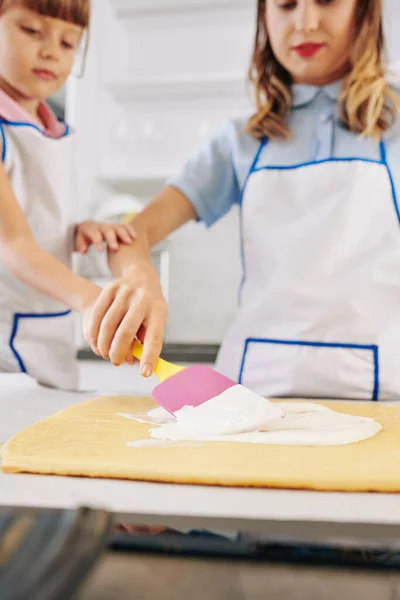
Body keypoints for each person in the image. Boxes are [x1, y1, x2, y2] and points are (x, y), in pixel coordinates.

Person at [88, 0, 400, 402]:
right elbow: (134, 233)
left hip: (382, 398)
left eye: (326, 1)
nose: (305, 22)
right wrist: (136, 275)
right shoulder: (242, 140)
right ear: (264, 18)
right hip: (252, 399)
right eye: (286, 5)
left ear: (364, 12)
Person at [0, 0, 150, 390]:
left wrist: (79, 229)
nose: (51, 50)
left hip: (48, 338)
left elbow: (35, 216)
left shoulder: (54, 132)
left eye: (68, 43)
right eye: (31, 31)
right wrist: (96, 302)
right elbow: (13, 242)